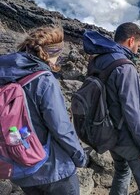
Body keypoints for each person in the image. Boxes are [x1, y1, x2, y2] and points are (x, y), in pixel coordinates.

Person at [0, 25, 87, 194]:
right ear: (52, 54)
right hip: (53, 169)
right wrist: (80, 157)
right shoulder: (43, 79)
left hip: (19, 167)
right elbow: (60, 127)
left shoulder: (4, 74)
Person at [82, 22, 140, 195]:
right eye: (138, 46)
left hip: (109, 133)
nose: (138, 51)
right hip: (128, 137)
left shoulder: (98, 59)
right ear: (131, 41)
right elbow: (132, 111)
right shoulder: (125, 67)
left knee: (122, 171)